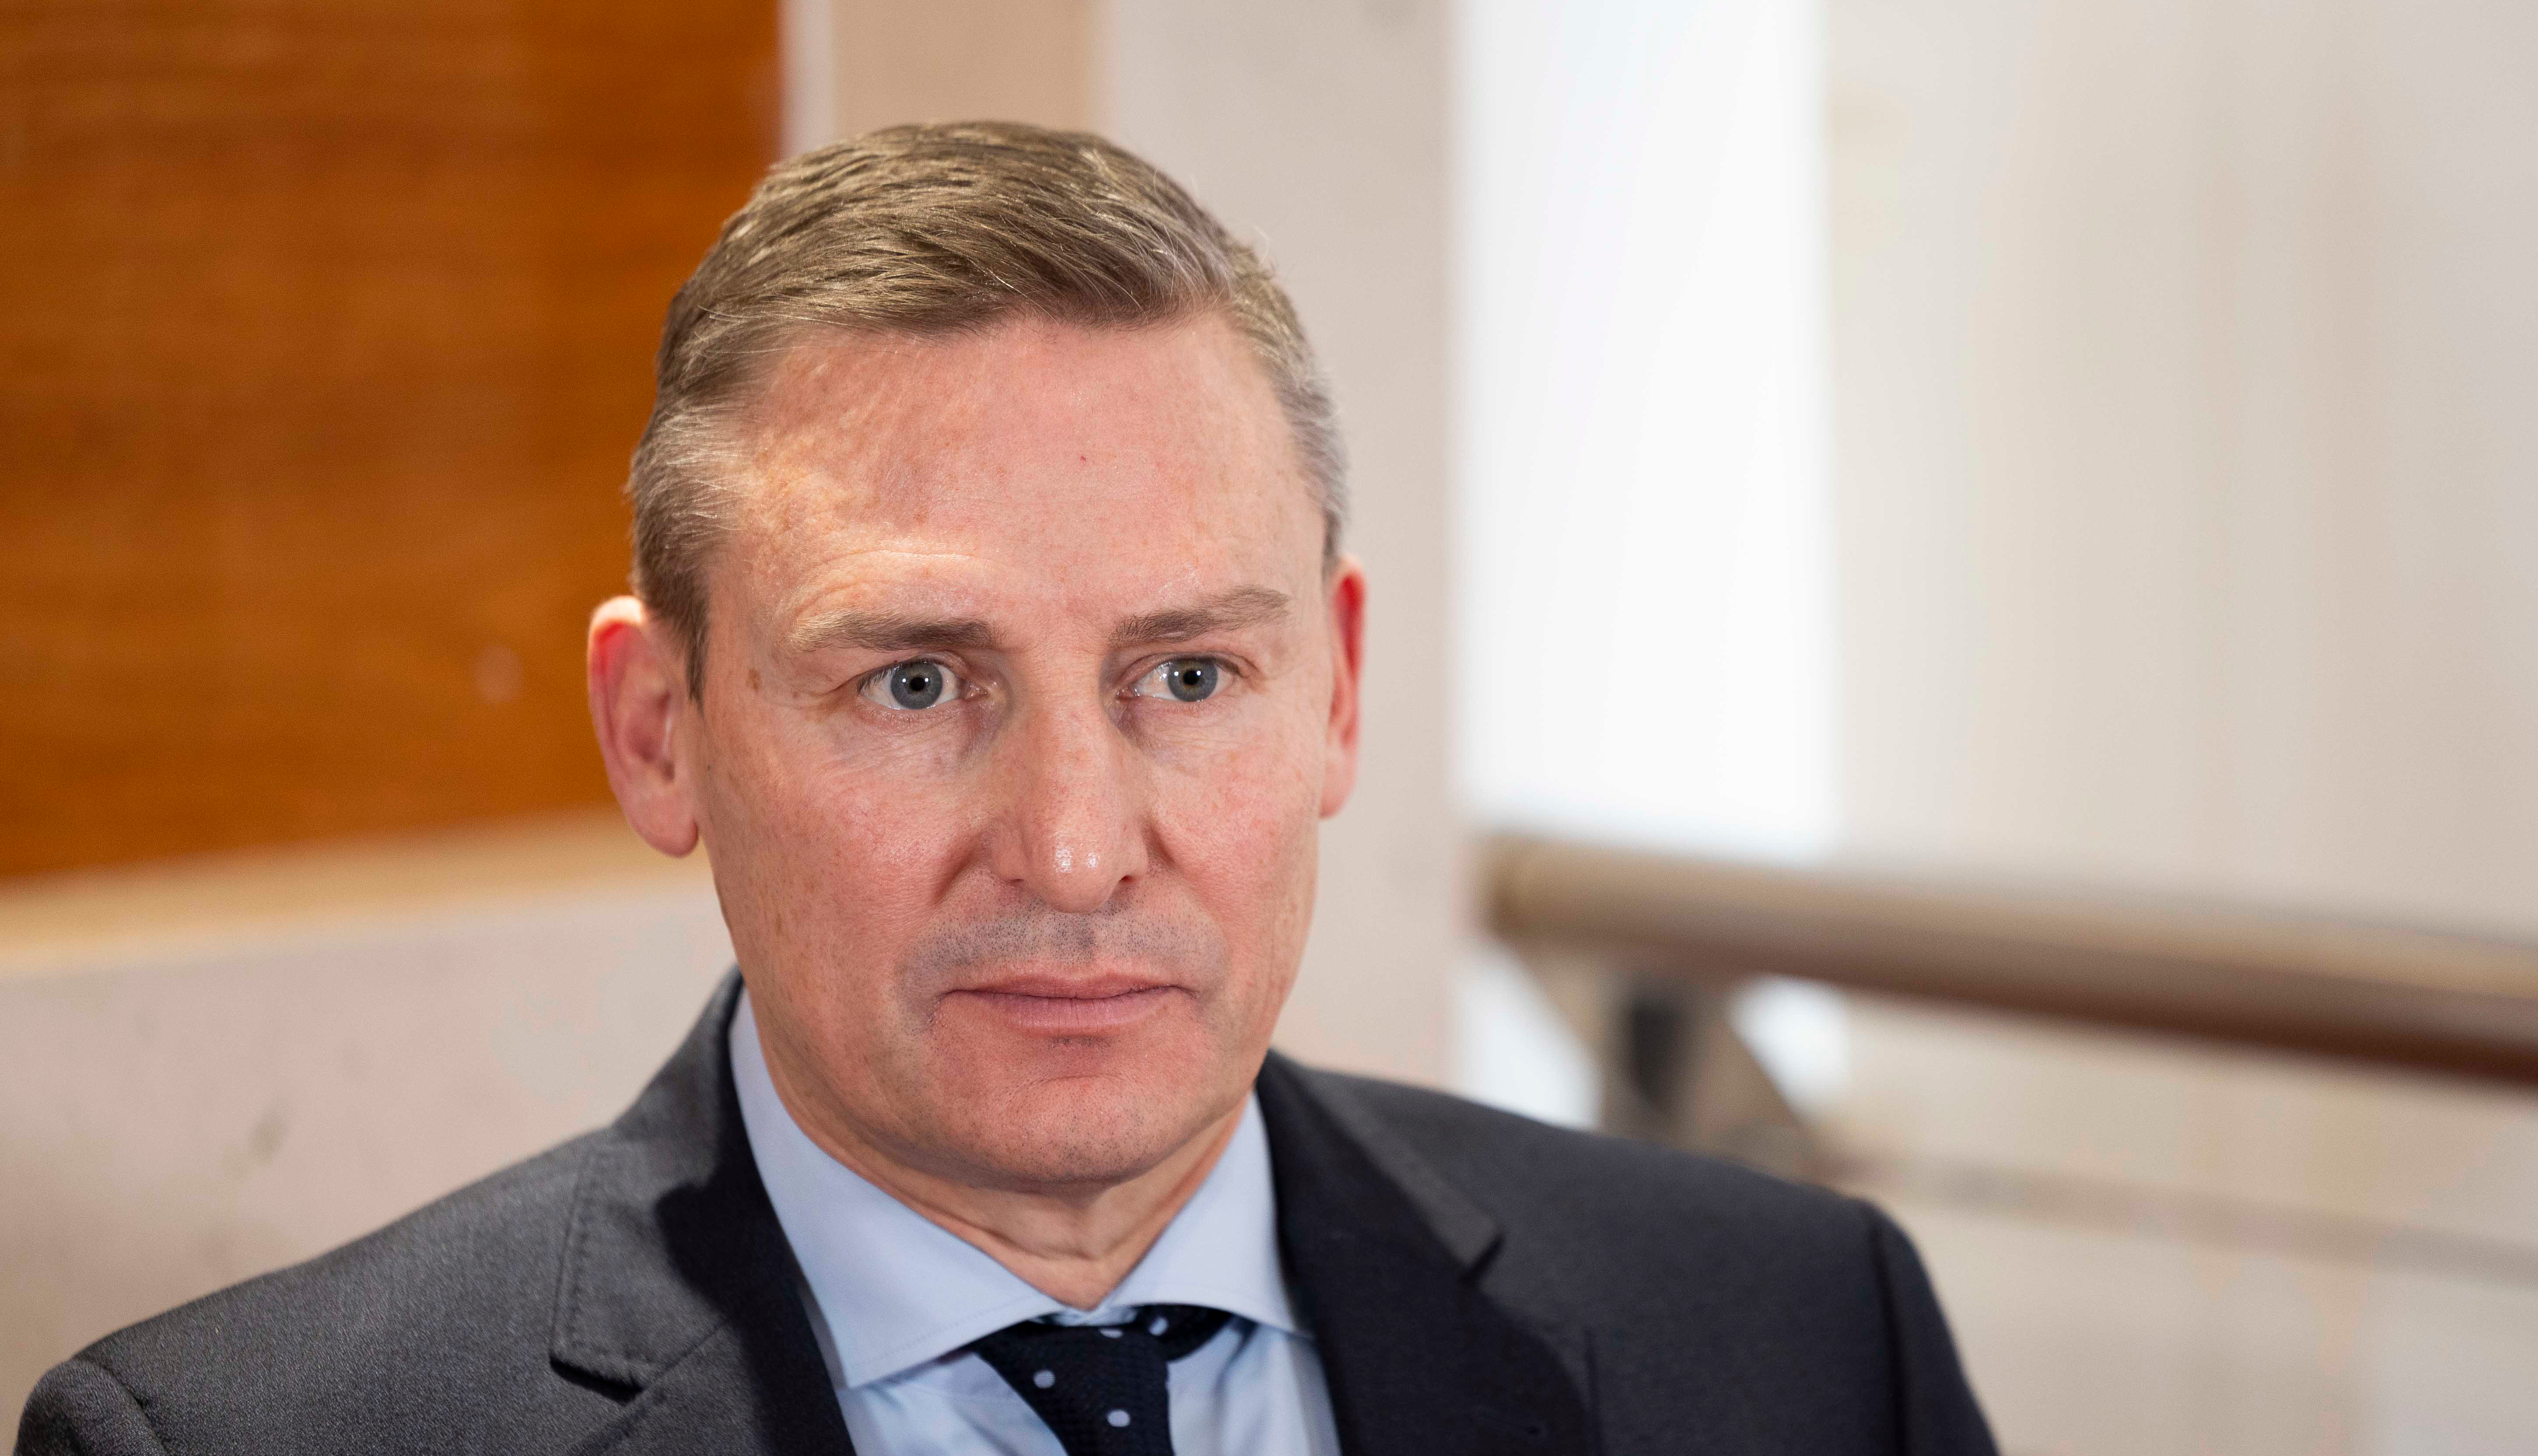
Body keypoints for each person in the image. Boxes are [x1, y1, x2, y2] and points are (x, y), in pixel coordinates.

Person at [17, 122, 1994, 1456]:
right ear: (660, 732)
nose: (1069, 843)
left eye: (1188, 674)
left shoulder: (1797, 1348)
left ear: (1339, 693)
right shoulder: (235, 1445)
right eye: (912, 683)